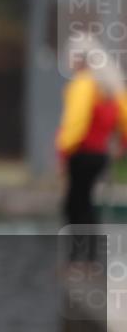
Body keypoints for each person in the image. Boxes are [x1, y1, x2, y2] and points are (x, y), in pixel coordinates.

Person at [56, 33, 127, 263]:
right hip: (100, 155)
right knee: (85, 201)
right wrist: (123, 144)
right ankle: (90, 254)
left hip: (82, 153)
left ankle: (78, 255)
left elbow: (75, 123)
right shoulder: (110, 87)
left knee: (74, 204)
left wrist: (63, 151)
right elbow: (124, 118)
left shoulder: (84, 84)